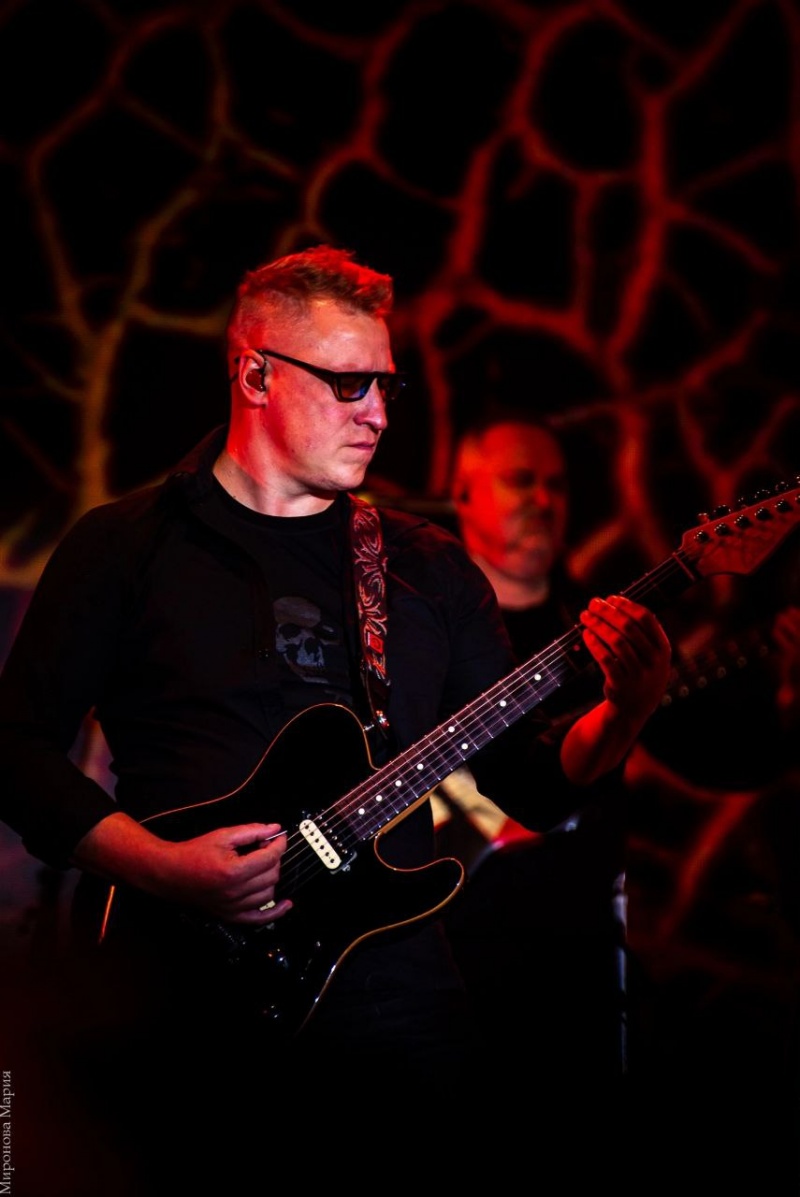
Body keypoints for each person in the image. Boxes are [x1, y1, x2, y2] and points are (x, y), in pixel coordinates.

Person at [0, 245, 672, 1193]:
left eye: (386, 385)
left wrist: (625, 709)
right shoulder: (124, 547)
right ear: (256, 375)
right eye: (350, 384)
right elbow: (16, 749)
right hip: (178, 1006)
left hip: (397, 1009)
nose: (380, 414)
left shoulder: (425, 567)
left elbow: (530, 778)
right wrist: (161, 866)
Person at [431, 412, 633, 1108]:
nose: (543, 500)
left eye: (557, 484)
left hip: (574, 965)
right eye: (521, 480)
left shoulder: (598, 627)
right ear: (462, 493)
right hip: (445, 960)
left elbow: (711, 752)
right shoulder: (417, 624)